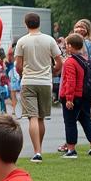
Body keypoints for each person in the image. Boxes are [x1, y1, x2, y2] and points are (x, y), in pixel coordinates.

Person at [13, 12, 62, 162]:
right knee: (41, 117)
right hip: (45, 82)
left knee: (32, 117)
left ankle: (37, 152)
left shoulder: (22, 41)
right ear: (39, 23)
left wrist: (23, 74)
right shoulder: (49, 40)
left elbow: (18, 65)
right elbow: (59, 62)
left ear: (25, 24)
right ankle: (39, 150)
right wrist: (52, 72)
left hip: (28, 81)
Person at [58, 33, 91, 157]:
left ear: (70, 46)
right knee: (86, 119)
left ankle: (71, 149)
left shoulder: (70, 62)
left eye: (66, 45)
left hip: (73, 96)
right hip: (85, 96)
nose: (66, 47)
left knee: (70, 122)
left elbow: (70, 81)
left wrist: (69, 99)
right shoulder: (86, 59)